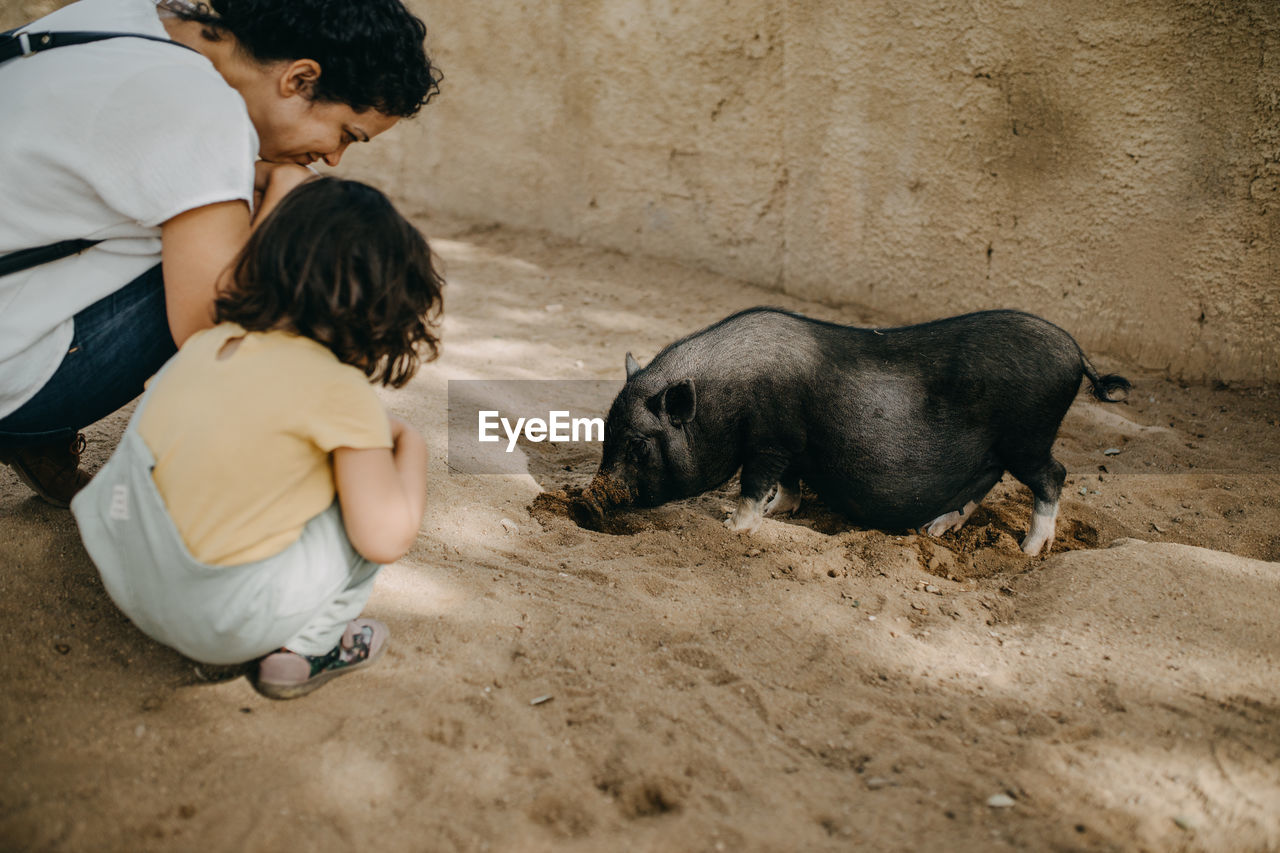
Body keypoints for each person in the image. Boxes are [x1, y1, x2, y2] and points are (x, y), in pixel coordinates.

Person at [0, 0, 440, 505]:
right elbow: (214, 334)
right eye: (345, 134)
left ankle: (42, 433)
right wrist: (284, 197)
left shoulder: (132, 17)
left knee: (224, 206)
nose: (335, 157)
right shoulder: (203, 108)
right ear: (299, 79)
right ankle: (36, 430)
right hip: (10, 375)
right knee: (295, 240)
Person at [71, 176, 443, 698]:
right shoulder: (338, 389)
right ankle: (309, 649)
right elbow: (386, 538)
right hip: (219, 623)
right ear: (383, 302)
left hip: (127, 577)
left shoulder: (210, 344)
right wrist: (412, 446)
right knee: (364, 506)